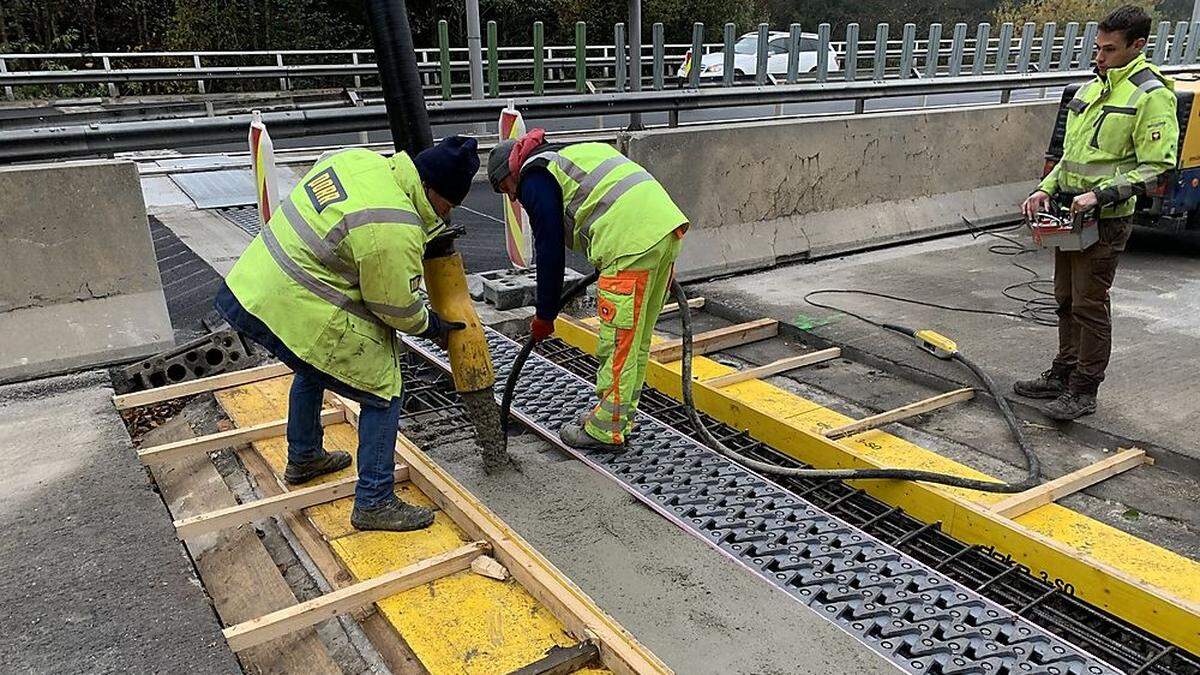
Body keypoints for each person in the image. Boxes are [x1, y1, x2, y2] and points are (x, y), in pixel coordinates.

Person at [215, 136, 479, 531]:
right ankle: (374, 500)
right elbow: (395, 308)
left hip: (261, 283)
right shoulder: (395, 224)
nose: (447, 214)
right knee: (385, 390)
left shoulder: (362, 162)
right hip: (301, 298)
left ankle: (304, 457)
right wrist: (432, 326)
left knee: (311, 366)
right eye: (448, 206)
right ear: (431, 191)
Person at [1017, 4, 1177, 420]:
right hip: (1070, 217)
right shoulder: (1091, 88)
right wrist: (1043, 189)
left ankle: (1084, 390)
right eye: (1097, 48)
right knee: (1066, 299)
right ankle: (1063, 371)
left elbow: (1157, 167)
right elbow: (1072, 156)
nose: (1098, 57)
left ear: (1137, 46)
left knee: (1089, 303)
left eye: (1108, 49)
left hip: (1105, 221)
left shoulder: (1150, 95)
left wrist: (1101, 195)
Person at [487, 130, 689, 451]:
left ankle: (605, 430)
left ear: (512, 173)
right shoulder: (570, 153)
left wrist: (544, 315)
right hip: (663, 232)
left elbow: (550, 250)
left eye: (507, 189)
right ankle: (619, 418)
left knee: (618, 344)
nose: (513, 198)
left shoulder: (534, 176)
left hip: (630, 243)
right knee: (634, 342)